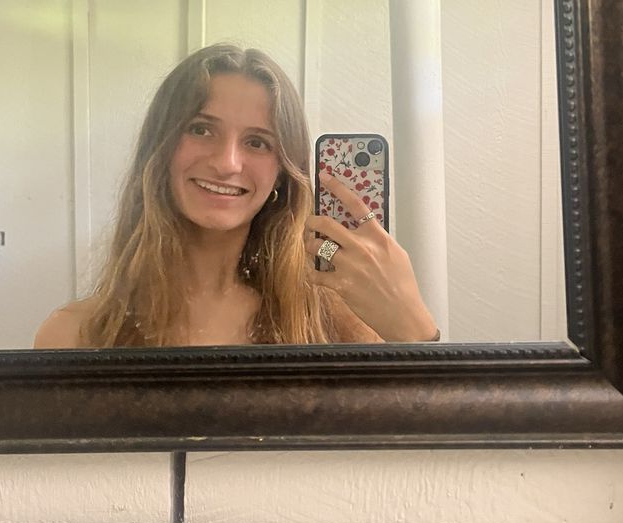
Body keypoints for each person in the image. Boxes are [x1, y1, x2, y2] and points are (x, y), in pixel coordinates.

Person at [34, 44, 439, 348]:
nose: (227, 163)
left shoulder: (332, 322)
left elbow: (422, 435)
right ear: (160, 149)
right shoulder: (76, 334)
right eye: (201, 129)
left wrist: (414, 330)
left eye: (257, 142)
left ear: (282, 172)